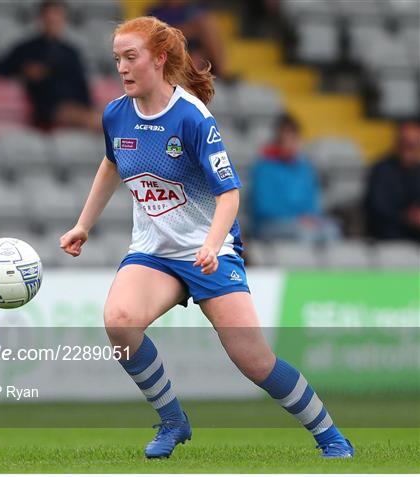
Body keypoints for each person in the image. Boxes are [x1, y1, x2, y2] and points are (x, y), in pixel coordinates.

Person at [60, 16, 353, 460]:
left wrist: (213, 244)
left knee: (254, 361)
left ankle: (331, 436)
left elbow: (229, 194)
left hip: (208, 251)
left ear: (159, 60)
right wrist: (84, 223)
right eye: (117, 58)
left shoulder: (192, 117)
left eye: (130, 57)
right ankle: (172, 420)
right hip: (154, 253)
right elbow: (111, 164)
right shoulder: (116, 113)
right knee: (119, 320)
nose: (121, 67)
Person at [0, 0, 101, 131]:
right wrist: (24, 70)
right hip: (48, 108)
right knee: (103, 122)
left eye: (57, 17)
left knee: (112, 116)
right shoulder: (26, 49)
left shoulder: (71, 52)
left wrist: (88, 107)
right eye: (50, 17)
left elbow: (82, 84)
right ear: (41, 19)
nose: (53, 21)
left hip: (76, 107)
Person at [249, 114, 341, 243]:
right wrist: (297, 219)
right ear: (278, 141)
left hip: (302, 223)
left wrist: (310, 217)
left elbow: (313, 202)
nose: (292, 143)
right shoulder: (263, 168)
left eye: (294, 138)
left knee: (331, 230)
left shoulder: (305, 168)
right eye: (287, 138)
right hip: (270, 225)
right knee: (305, 233)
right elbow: (264, 207)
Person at [365, 122, 420, 243]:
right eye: (404, 142)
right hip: (388, 234)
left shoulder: (417, 172)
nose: (407, 148)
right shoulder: (381, 170)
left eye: (412, 144)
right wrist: (407, 217)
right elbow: (377, 208)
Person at [147, 0, 228, 79]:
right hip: (171, 51)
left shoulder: (192, 9)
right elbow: (158, 34)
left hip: (194, 49)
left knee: (198, 54)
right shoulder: (156, 11)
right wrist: (190, 29)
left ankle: (220, 72)